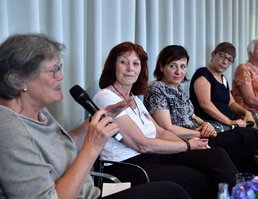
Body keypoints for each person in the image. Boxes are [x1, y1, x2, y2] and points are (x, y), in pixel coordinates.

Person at [0, 33, 194, 199]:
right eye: (53, 71)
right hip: (109, 181)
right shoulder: (9, 130)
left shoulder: (38, 112)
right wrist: (92, 148)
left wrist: (94, 122)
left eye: (59, 68)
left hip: (93, 193)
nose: (61, 77)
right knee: (171, 191)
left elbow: (61, 146)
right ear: (18, 79)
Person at [93, 41, 238, 199]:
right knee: (198, 180)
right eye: (123, 62)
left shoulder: (135, 99)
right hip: (129, 167)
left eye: (136, 63)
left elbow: (160, 131)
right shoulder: (105, 97)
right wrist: (187, 145)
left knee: (216, 156)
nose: (130, 69)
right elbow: (142, 144)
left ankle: (242, 193)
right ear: (112, 66)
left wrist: (195, 145)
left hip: (152, 158)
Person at [144, 44, 258, 176]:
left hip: (202, 133)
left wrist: (204, 124)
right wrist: (200, 134)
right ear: (162, 67)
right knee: (251, 135)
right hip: (186, 142)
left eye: (183, 66)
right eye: (172, 66)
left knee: (250, 152)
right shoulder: (157, 89)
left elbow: (192, 115)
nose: (178, 71)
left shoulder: (178, 89)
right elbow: (167, 128)